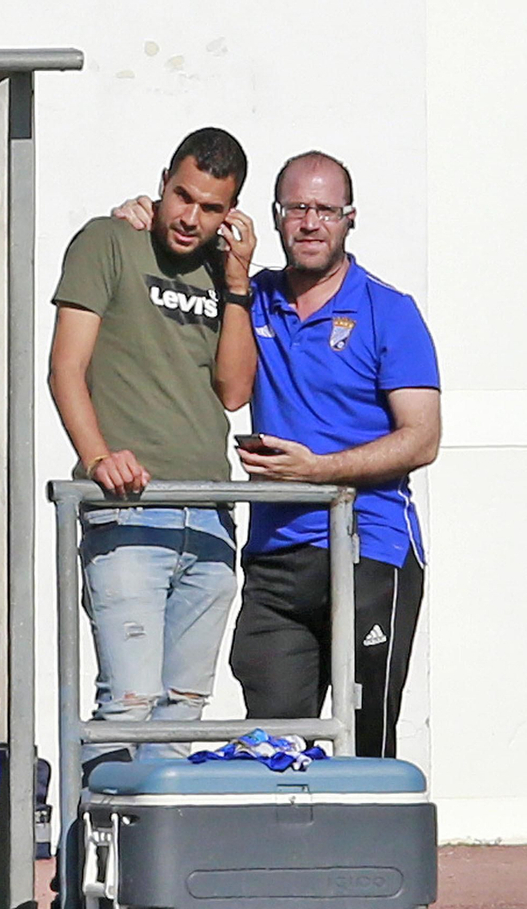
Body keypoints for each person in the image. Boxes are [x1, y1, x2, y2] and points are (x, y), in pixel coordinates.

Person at [111, 151, 441, 758]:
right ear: (273, 216)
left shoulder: (389, 310)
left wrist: (320, 472)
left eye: (325, 210)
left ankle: (367, 855)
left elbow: (422, 438)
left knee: (365, 739)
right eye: (297, 209)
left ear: (349, 219)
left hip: (370, 547)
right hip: (277, 555)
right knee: (275, 748)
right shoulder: (246, 294)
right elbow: (176, 254)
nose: (311, 223)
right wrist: (138, 218)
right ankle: (292, 856)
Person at [47, 127, 257, 767]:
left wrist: (240, 281)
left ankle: (158, 865)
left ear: (231, 211)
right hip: (129, 511)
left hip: (211, 516)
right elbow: (65, 370)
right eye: (181, 196)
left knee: (181, 716)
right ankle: (96, 865)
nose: (190, 218)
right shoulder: (109, 240)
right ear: (163, 180)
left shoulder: (223, 272)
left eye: (211, 207)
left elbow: (233, 389)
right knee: (127, 708)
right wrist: (97, 457)